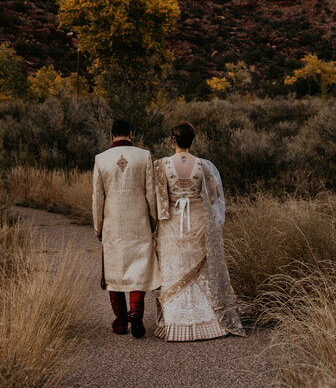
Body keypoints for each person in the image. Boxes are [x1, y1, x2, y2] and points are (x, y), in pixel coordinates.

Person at [153, 122, 245, 341]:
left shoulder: (161, 165)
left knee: (174, 267)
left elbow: (155, 197)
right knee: (199, 271)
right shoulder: (204, 165)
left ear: (171, 140)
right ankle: (208, 323)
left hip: (172, 223)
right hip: (197, 220)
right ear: (192, 140)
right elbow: (215, 196)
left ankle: (176, 323)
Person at [92, 118, 160, 337]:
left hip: (113, 223)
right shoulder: (144, 156)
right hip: (138, 221)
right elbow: (151, 193)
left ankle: (121, 322)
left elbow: (97, 199)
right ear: (131, 133)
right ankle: (135, 314)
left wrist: (98, 227)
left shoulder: (101, 159)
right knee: (138, 269)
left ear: (111, 135)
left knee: (114, 272)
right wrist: (153, 220)